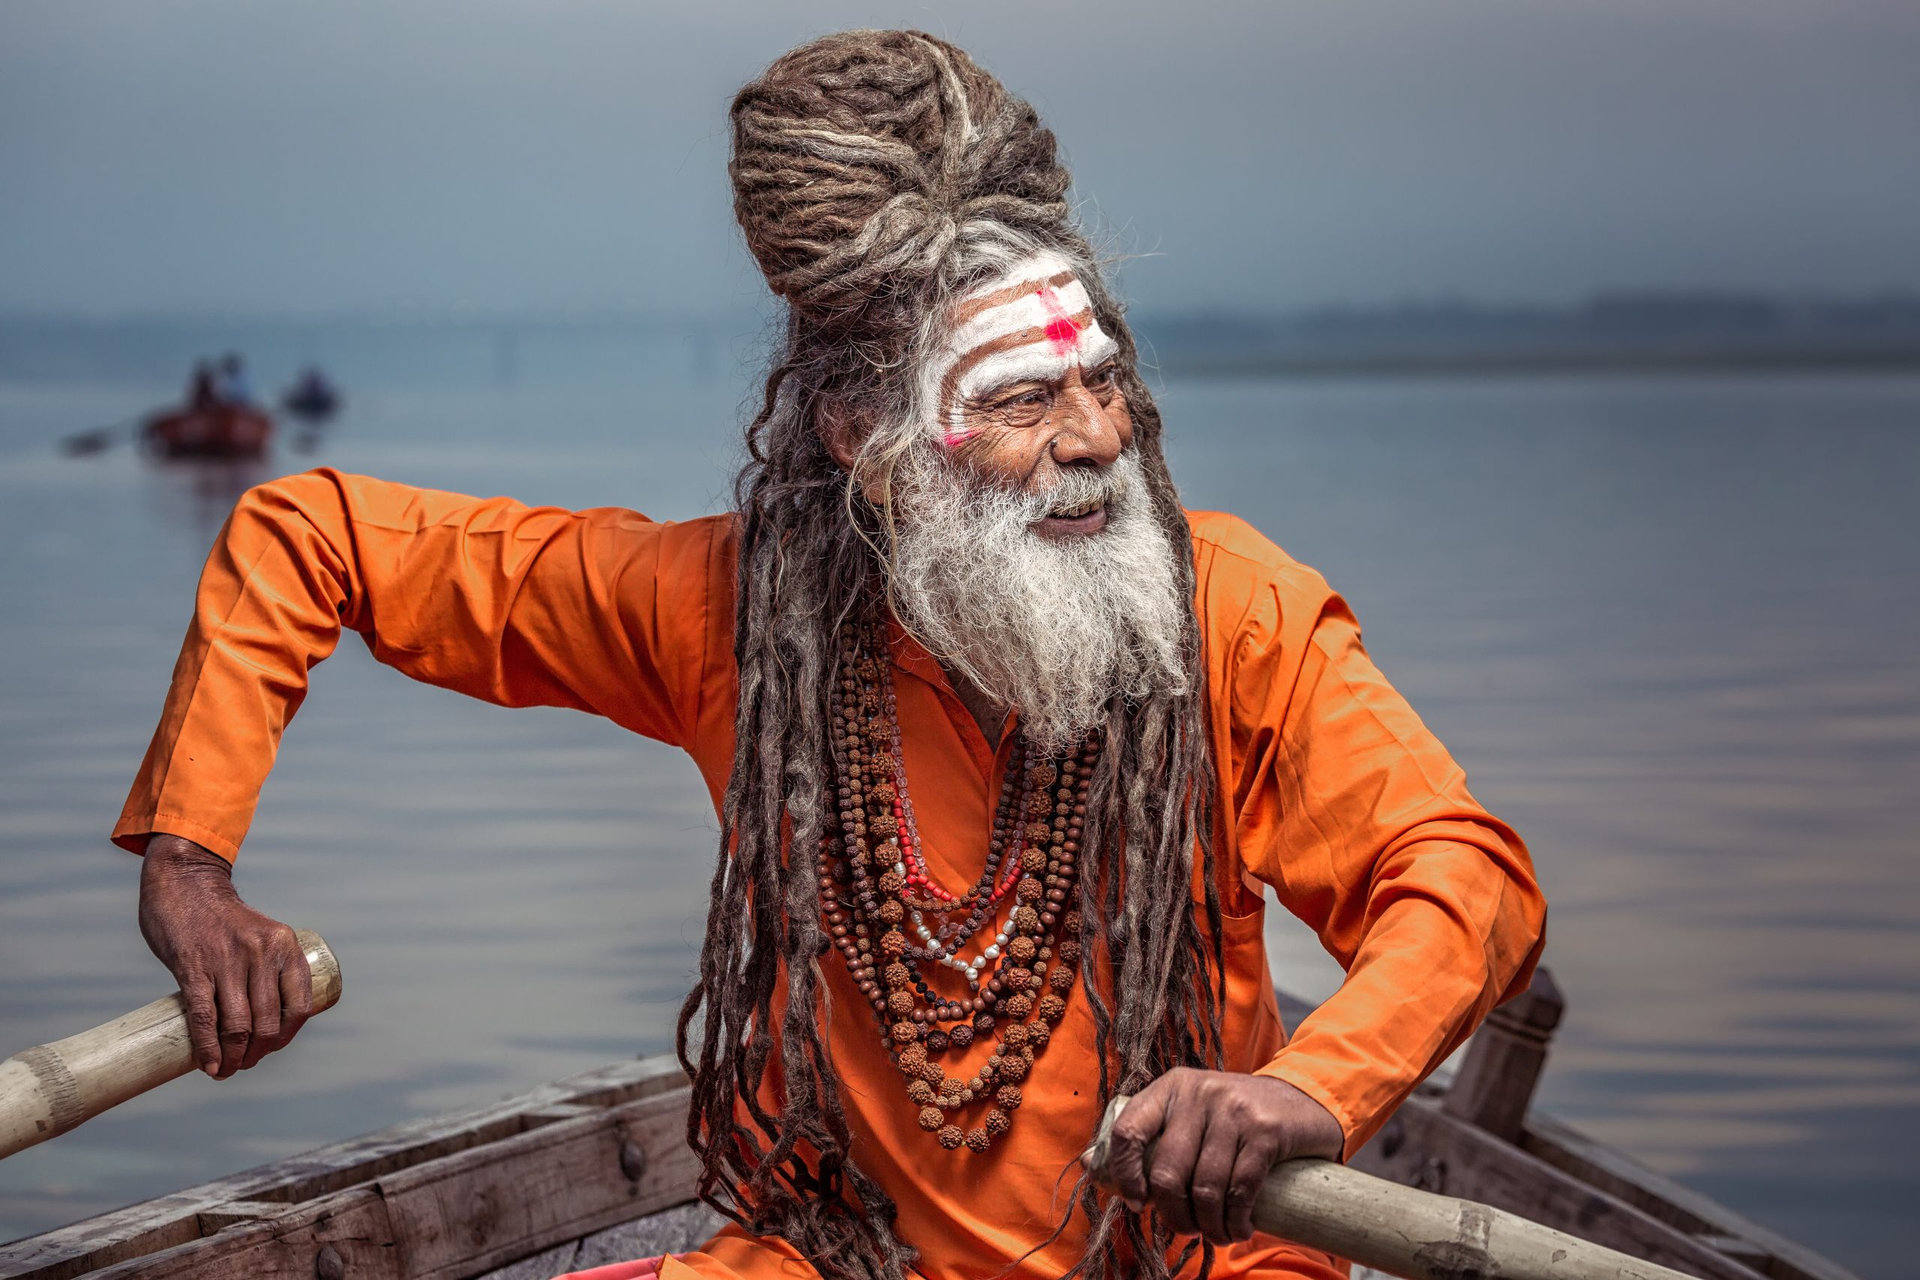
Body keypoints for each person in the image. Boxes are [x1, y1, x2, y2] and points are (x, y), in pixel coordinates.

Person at [120, 31, 1545, 1280]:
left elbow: (1461, 878)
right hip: (842, 1262)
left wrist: (1309, 1085)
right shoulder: (726, 617)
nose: (1100, 434)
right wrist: (191, 867)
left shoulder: (1229, 611)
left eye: (1106, 376)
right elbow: (312, 534)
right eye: (1023, 396)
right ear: (864, 440)